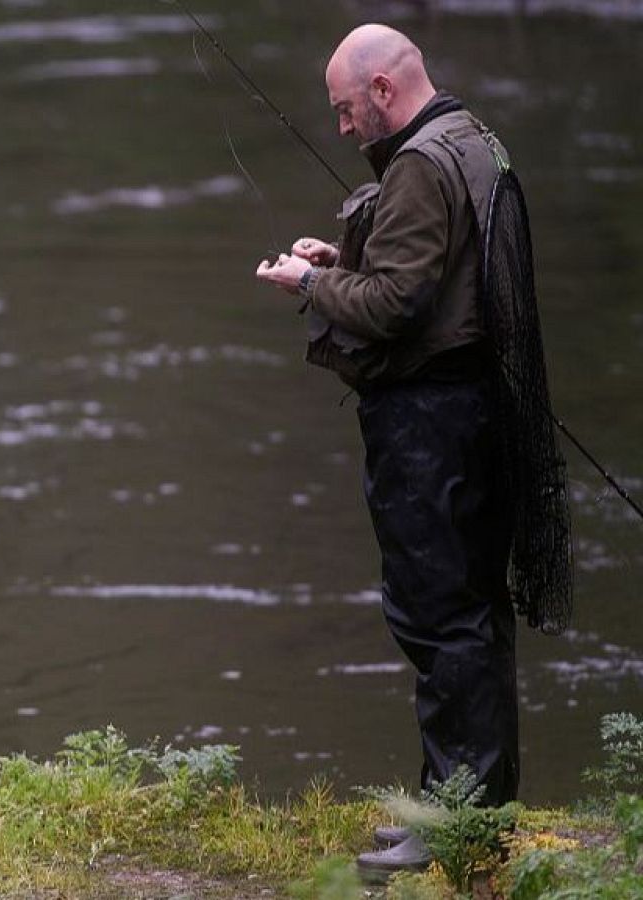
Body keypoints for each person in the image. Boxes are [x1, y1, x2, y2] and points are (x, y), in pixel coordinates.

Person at [255, 24, 569, 883]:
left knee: (439, 621)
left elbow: (397, 305)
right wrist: (342, 255)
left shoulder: (421, 165)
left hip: (433, 428)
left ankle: (454, 820)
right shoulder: (471, 139)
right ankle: (479, 810)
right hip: (475, 414)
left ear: (384, 92)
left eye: (347, 110)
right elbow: (430, 275)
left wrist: (311, 283)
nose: (345, 128)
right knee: (470, 615)